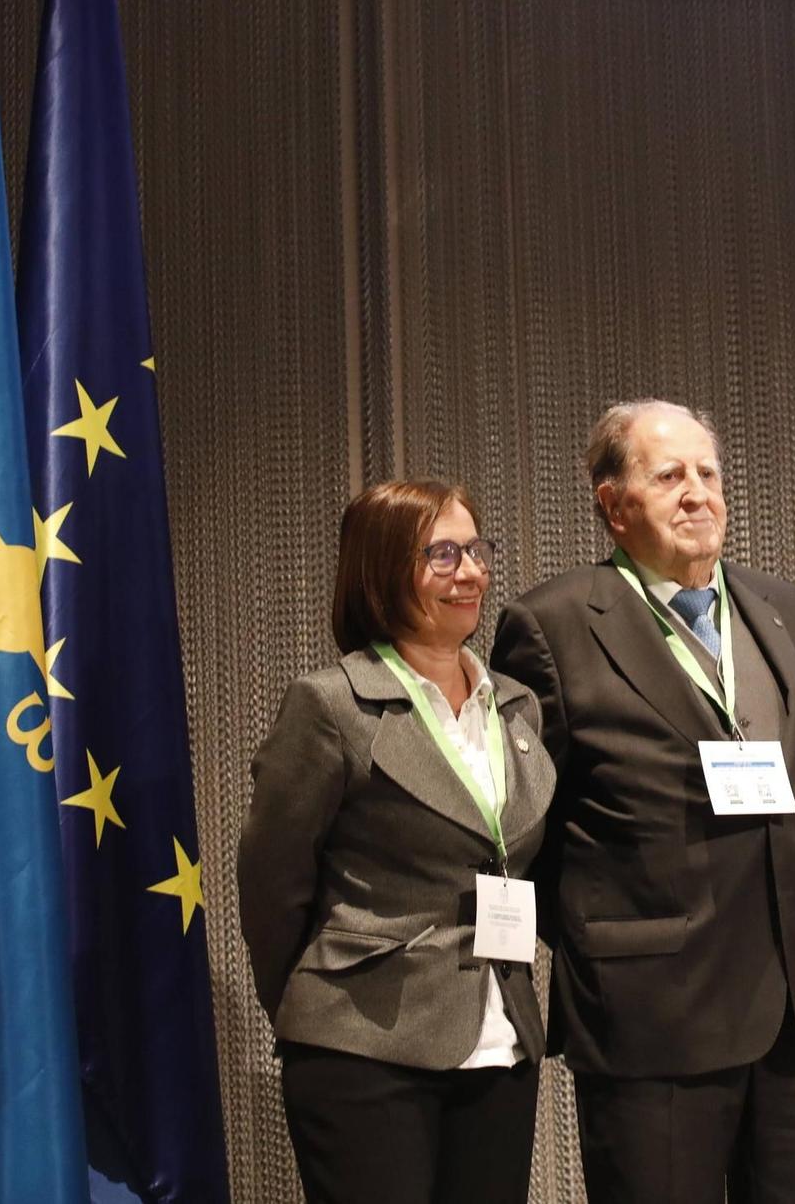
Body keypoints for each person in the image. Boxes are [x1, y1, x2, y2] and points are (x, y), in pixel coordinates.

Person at [490, 400, 795, 1204]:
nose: (697, 492)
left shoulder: (781, 605)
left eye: (708, 472)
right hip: (652, 1015)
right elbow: (519, 829)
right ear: (613, 505)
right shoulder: (551, 625)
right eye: (669, 475)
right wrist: (608, 937)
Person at [238, 479, 555, 1204]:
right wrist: (317, 997)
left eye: (477, 550)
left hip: (500, 1037)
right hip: (363, 1041)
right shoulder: (332, 704)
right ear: (382, 568)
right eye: (443, 553)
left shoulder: (516, 705)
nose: (471, 571)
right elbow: (270, 882)